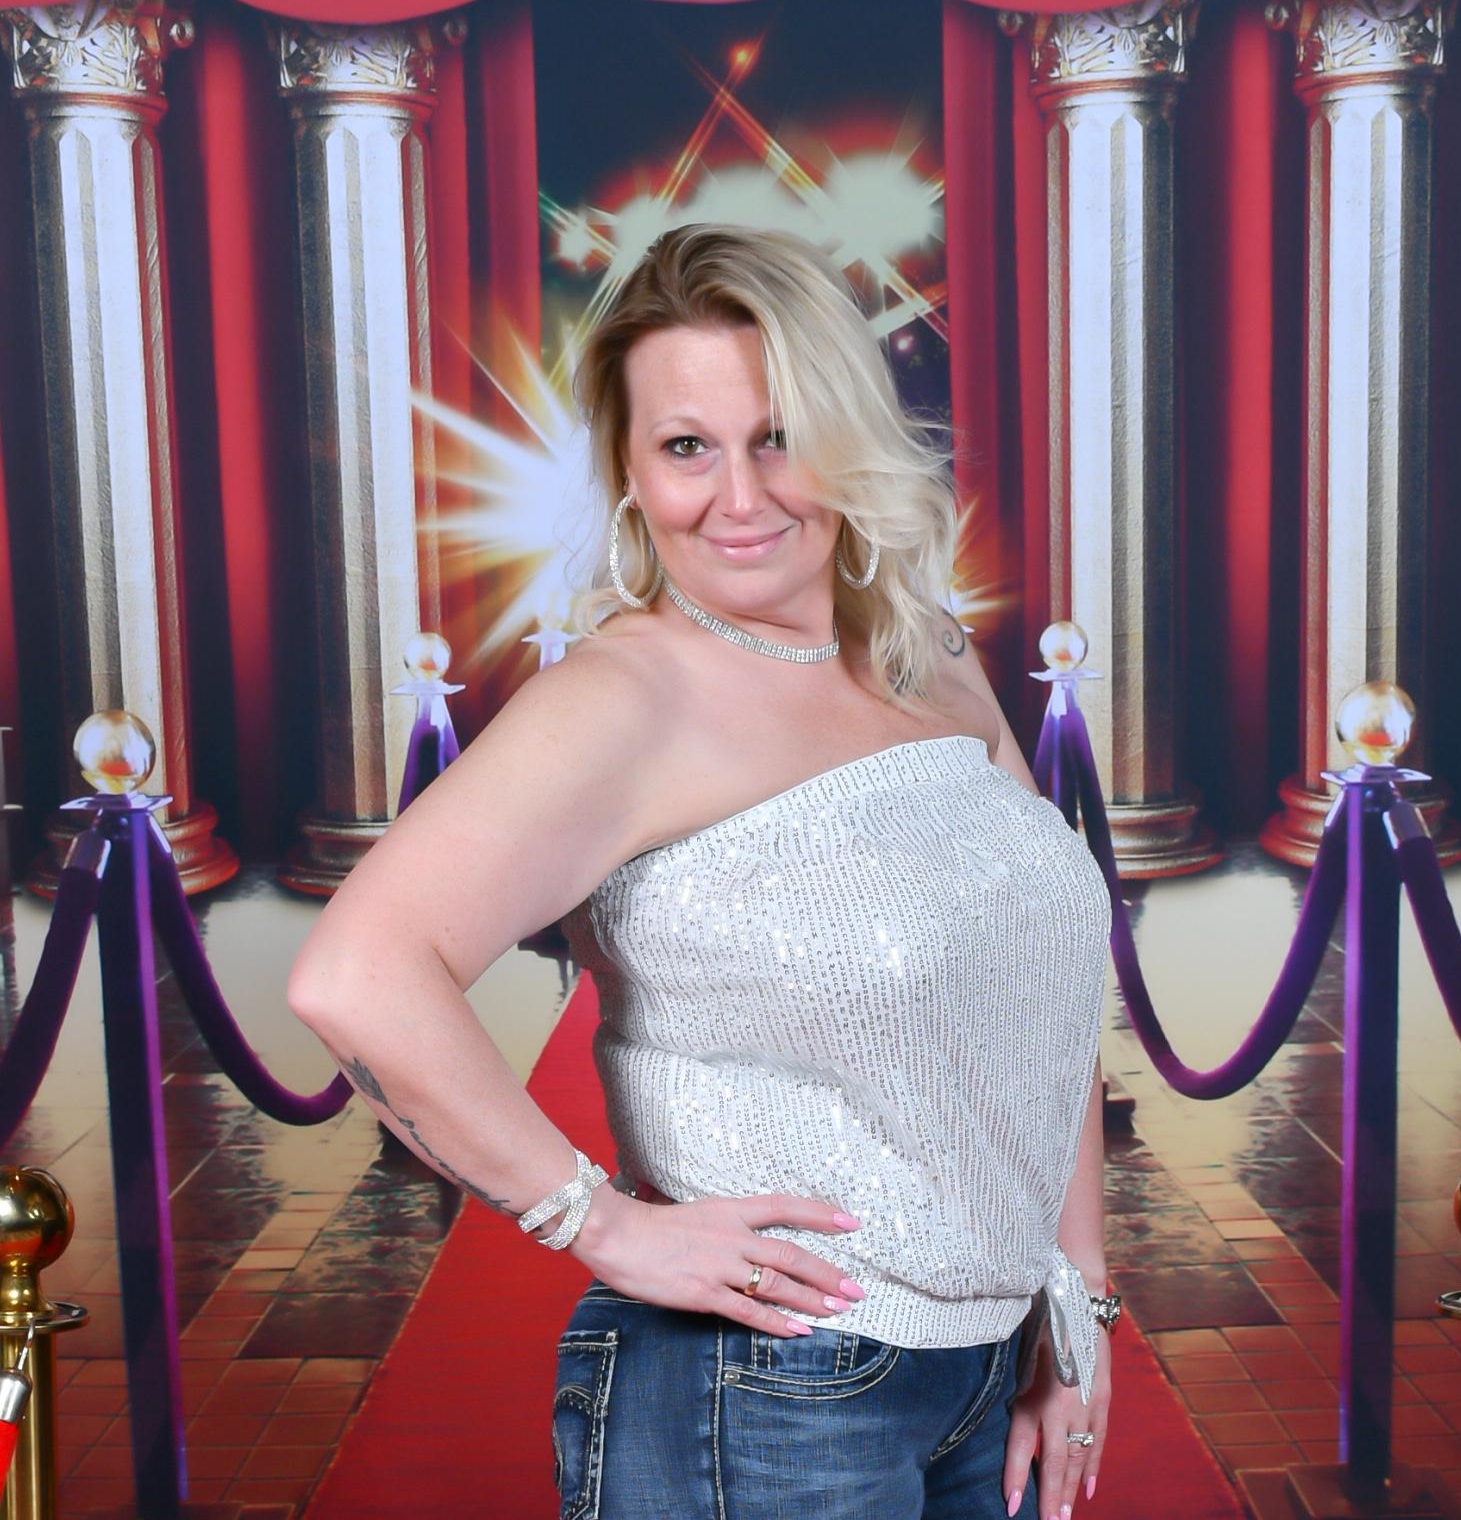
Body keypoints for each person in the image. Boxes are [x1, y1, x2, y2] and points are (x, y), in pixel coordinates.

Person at [286, 222, 1115, 1520]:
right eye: (687, 447)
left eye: (780, 435)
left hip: (983, 1369)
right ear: (628, 469)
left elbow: (1040, 1004)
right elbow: (356, 975)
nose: (741, 494)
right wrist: (599, 1223)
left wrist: (1073, 1300)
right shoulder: (625, 699)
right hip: (766, 1385)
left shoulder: (927, 657)